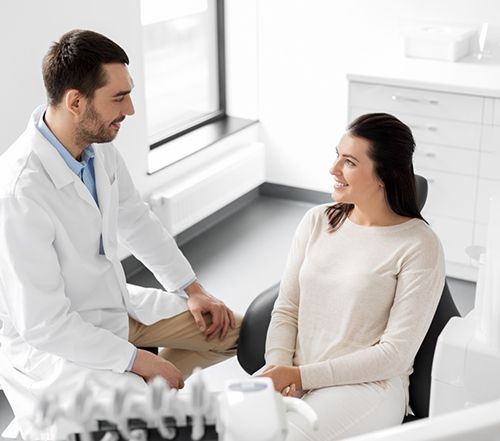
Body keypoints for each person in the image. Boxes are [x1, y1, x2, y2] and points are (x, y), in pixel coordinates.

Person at [0, 29, 239, 440]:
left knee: (234, 332)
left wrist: (192, 288)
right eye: (118, 97)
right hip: (56, 337)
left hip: (114, 305)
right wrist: (137, 361)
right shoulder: (20, 190)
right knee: (137, 415)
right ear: (76, 101)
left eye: (129, 93)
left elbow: (135, 218)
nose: (129, 108)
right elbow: (43, 324)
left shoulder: (98, 144)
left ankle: (138, 390)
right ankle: (71, 412)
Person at [259, 113, 445, 440]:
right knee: (232, 427)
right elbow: (286, 309)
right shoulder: (316, 221)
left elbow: (394, 355)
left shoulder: (419, 245)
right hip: (297, 377)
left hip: (368, 387)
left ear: (384, 176)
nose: (333, 169)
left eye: (349, 162)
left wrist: (300, 376)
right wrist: (278, 373)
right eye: (337, 156)